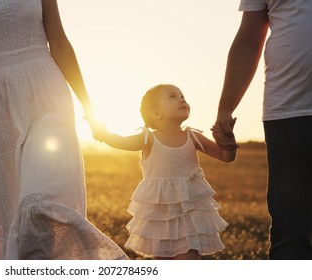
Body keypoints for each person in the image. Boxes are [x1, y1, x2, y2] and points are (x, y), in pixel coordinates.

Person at [0, 0, 126, 260]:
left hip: (47, 95)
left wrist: (88, 105)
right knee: (5, 212)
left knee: (40, 201)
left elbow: (60, 43)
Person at [213, 0, 312, 259]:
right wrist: (226, 108)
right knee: (290, 228)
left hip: (288, 112)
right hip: (288, 111)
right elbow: (248, 38)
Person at [92, 84, 237, 259]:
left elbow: (226, 156)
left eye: (182, 95)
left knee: (189, 258)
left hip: (188, 211)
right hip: (159, 214)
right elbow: (121, 141)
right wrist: (104, 134)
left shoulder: (193, 137)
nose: (182, 99)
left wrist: (228, 141)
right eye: (173, 96)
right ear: (156, 114)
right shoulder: (148, 139)